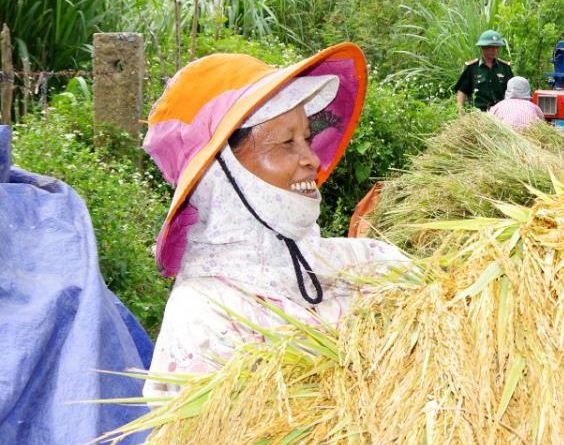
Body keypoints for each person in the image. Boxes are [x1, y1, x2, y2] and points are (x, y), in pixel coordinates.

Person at [141, 43, 408, 399]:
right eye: (286, 142)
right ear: (221, 174)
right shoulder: (205, 320)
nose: (312, 158)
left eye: (308, 139)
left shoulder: (366, 261)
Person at [455, 29, 514, 112]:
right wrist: (460, 111)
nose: (494, 50)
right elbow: (462, 90)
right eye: (490, 47)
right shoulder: (472, 67)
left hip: (501, 112)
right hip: (478, 114)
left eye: (496, 47)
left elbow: (512, 91)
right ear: (482, 47)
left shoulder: (505, 67)